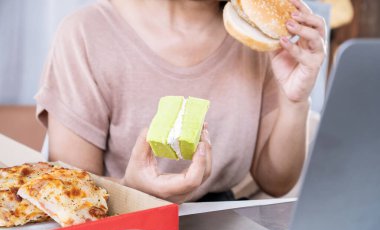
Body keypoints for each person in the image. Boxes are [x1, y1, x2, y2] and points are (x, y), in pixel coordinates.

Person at [35, 0, 326, 203]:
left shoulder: (260, 39)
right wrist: (132, 191)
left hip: (219, 221)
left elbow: (276, 182)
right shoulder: (86, 32)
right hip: (116, 221)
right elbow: (69, 190)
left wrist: (296, 100)